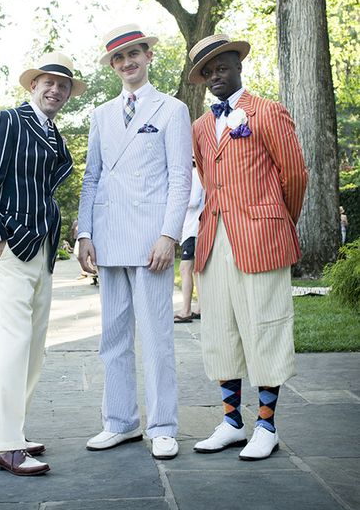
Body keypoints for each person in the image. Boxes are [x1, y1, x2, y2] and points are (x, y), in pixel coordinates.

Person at [188, 34, 308, 461]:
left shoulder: (268, 112)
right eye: (207, 72)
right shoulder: (200, 126)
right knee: (220, 329)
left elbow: (294, 175)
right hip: (214, 237)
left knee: (265, 327)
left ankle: (267, 426)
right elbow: (206, 178)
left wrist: (276, 220)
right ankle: (232, 423)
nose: (215, 76)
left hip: (262, 236)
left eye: (221, 66)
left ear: (238, 64)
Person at [0, 51, 86, 477]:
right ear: (32, 85)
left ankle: (13, 431)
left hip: (43, 249)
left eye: (63, 85)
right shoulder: (6, 120)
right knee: (13, 343)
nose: (55, 89)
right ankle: (3, 445)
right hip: (9, 248)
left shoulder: (54, 134)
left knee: (34, 347)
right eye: (48, 82)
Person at [78, 23, 192, 460]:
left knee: (157, 336)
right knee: (113, 337)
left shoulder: (171, 108)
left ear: (149, 57)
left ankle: (162, 425)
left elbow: (181, 177)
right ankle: (120, 422)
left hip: (151, 242)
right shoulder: (102, 114)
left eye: (134, 55)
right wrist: (85, 232)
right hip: (108, 238)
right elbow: (92, 177)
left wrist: (169, 234)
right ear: (113, 66)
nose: (127, 63)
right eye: (119, 59)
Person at [173, 160, 205, 323]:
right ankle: (200, 307)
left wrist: (176, 201)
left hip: (194, 228)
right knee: (195, 270)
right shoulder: (195, 174)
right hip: (190, 229)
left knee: (186, 268)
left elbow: (193, 201)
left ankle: (186, 310)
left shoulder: (194, 174)